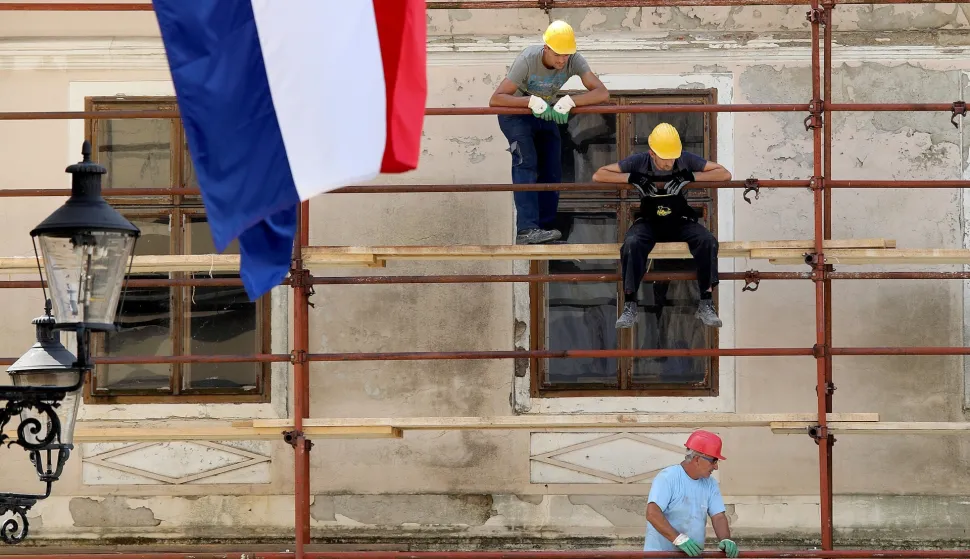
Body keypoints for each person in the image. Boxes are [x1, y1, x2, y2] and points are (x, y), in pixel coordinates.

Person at [591, 123, 732, 329]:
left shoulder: (685, 159)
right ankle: (630, 305)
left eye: (672, 158)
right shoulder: (639, 161)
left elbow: (724, 174)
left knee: (707, 241)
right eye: (664, 159)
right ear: (652, 153)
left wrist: (691, 176)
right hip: (649, 222)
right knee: (631, 243)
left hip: (680, 220)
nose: (669, 163)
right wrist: (632, 177)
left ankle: (706, 302)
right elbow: (599, 175)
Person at [489, 20, 609, 245]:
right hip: (515, 113)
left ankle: (543, 230)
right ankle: (527, 230)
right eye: (557, 55)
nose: (562, 61)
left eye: (566, 55)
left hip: (544, 112)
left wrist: (572, 101)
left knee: (553, 167)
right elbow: (496, 99)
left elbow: (602, 93)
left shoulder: (574, 60)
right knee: (526, 162)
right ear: (546, 48)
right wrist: (530, 101)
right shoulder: (527, 59)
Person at [643, 430, 739, 558]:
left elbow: (718, 516)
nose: (716, 467)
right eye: (714, 460)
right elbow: (652, 513)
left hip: (692, 555)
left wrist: (726, 539)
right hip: (660, 555)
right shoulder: (668, 477)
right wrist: (678, 539)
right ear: (697, 459)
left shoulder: (710, 484)